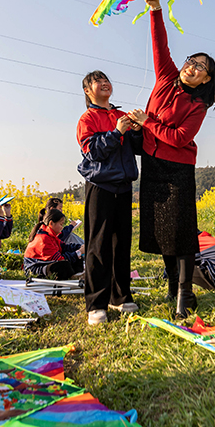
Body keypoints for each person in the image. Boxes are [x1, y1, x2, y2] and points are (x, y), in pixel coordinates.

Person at [127, 0, 215, 319]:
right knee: (162, 231)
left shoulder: (198, 104)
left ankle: (186, 294)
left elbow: (182, 137)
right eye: (191, 61)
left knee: (182, 234)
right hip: (153, 166)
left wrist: (148, 123)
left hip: (178, 169)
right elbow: (160, 44)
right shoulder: (166, 77)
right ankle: (172, 286)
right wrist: (155, 8)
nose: (192, 67)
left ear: (206, 80)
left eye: (201, 67)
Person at [76, 70, 142, 325]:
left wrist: (136, 130)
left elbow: (137, 149)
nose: (104, 83)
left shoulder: (120, 115)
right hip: (100, 187)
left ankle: (120, 296)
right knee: (98, 245)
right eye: (97, 81)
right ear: (87, 91)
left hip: (124, 187)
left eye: (107, 80)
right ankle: (96, 303)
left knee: (121, 244)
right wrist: (116, 132)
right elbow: (93, 152)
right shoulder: (87, 118)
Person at [23, 208, 84, 280]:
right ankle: (73, 277)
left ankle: (75, 275)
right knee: (63, 265)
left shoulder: (50, 235)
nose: (62, 228)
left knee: (76, 259)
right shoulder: (43, 239)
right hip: (35, 269)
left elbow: (64, 247)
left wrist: (80, 247)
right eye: (61, 224)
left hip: (46, 264)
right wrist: (79, 252)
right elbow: (59, 259)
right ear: (51, 223)